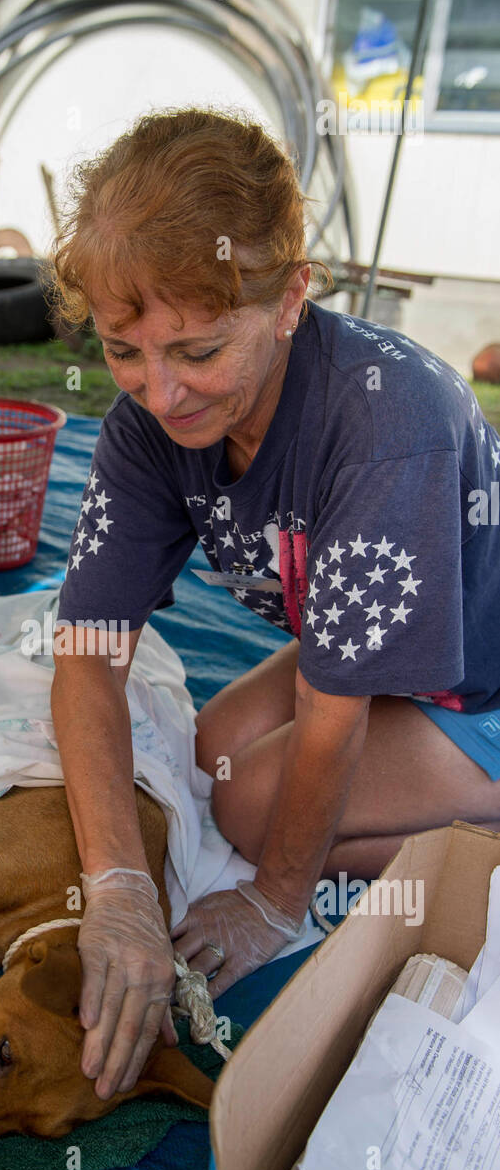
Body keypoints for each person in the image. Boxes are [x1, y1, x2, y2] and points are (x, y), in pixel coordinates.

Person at [48, 106, 500, 1104]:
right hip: (396, 648)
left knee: (254, 806)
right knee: (212, 754)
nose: (161, 394)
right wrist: (116, 882)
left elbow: (333, 719)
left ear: (293, 296)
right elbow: (84, 651)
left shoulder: (391, 424)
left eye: (199, 351)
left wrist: (277, 899)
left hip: (481, 676)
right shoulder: (148, 425)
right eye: (125, 351)